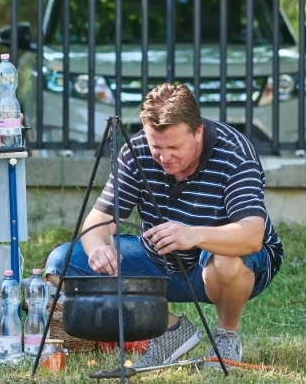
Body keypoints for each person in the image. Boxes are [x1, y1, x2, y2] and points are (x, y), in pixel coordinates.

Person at [44, 82, 283, 369]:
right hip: (159, 261)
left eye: (175, 147)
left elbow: (252, 235)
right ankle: (172, 330)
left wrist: (192, 235)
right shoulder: (137, 151)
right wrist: (97, 248)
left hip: (225, 262)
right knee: (61, 264)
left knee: (227, 259)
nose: (164, 157)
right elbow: (99, 218)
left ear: (198, 132)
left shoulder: (234, 153)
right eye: (157, 146)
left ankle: (226, 334)